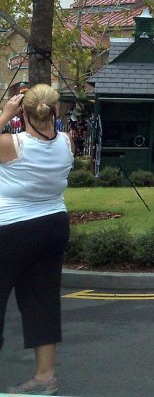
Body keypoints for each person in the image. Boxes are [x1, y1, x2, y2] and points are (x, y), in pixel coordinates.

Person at [0, 86, 75, 396]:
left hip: (11, 230)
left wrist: (5, 114)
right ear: (54, 111)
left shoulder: (11, 144)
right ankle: (45, 377)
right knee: (42, 301)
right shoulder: (67, 142)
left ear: (24, 113)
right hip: (53, 225)